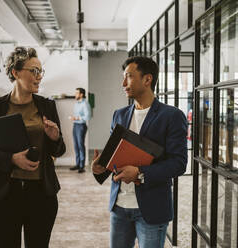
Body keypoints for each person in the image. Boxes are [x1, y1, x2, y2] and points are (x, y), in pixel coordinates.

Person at [0, 46, 66, 248]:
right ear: (15, 72)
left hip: (41, 194)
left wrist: (55, 137)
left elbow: (59, 150)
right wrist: (11, 159)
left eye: (41, 71)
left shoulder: (47, 106)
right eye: (34, 71)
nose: (39, 76)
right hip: (3, 195)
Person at [91, 56, 187, 248]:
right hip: (119, 208)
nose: (123, 83)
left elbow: (178, 163)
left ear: (147, 79)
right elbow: (115, 157)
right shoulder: (119, 115)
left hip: (151, 210)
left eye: (128, 76)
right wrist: (100, 167)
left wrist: (140, 172)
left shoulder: (172, 116)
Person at [69, 87, 91, 173]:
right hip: (75, 125)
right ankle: (77, 164)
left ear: (81, 94)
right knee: (76, 145)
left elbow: (88, 116)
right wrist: (75, 119)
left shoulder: (85, 104)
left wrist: (77, 118)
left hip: (81, 126)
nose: (75, 95)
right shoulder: (77, 103)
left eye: (77, 93)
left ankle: (82, 166)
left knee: (81, 146)